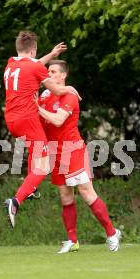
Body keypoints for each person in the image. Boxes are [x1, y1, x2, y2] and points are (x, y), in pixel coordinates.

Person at [36, 60, 121, 253]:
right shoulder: (45, 95)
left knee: (86, 192)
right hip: (54, 151)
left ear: (63, 75)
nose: (49, 74)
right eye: (48, 71)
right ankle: (72, 240)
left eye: (53, 71)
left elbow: (58, 120)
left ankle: (111, 233)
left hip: (72, 150)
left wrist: (37, 108)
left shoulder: (70, 95)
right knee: (66, 196)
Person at [3, 30, 79, 228]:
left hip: (11, 120)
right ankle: (16, 201)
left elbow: (34, 64)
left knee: (35, 151)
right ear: (34, 50)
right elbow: (56, 89)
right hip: (27, 118)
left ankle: (32, 187)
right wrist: (70, 89)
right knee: (43, 167)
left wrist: (52, 55)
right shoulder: (36, 68)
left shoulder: (11, 64)